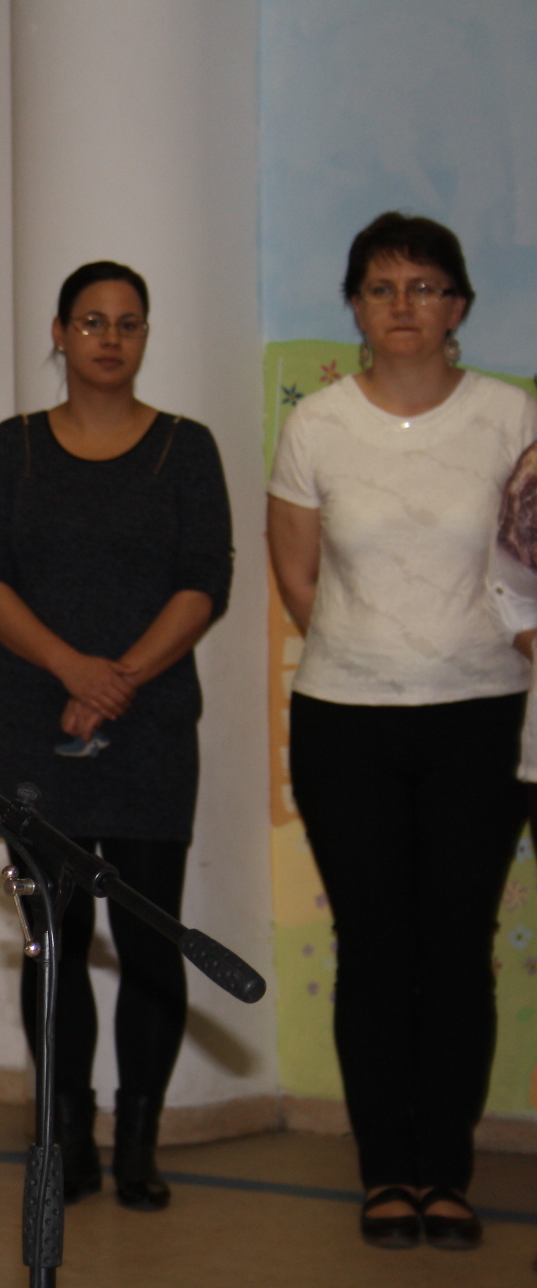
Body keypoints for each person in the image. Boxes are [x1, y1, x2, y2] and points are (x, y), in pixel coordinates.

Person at [267, 212, 536, 1252]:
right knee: (374, 951)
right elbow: (298, 574)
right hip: (346, 721)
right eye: (381, 288)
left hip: (482, 718)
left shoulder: (509, 415)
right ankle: (386, 1171)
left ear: (458, 304)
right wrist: (372, 650)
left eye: (425, 286)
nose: (403, 306)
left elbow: (526, 562)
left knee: (457, 953)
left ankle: (446, 1174)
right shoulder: (317, 424)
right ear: (355, 307)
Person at [0, 261, 234, 1212]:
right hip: (39, 722)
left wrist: (118, 681)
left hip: (151, 724)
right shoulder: (15, 447)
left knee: (151, 943)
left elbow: (205, 583)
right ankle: (68, 1133)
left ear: (145, 335)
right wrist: (74, 671)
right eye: (91, 321)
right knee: (56, 940)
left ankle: (139, 1144)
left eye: (127, 322)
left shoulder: (186, 448)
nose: (110, 338)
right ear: (60, 333)